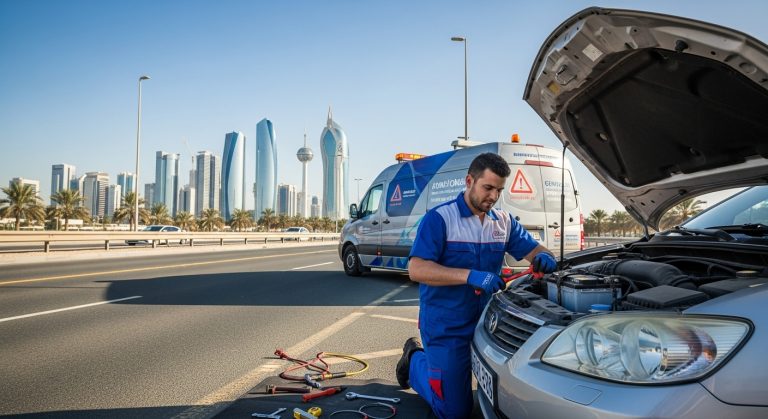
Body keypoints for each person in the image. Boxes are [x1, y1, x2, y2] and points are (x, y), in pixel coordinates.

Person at [395, 152, 557, 419]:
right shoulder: (440, 219)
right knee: (454, 412)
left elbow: (536, 250)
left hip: (488, 323)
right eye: (488, 188)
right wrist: (470, 275)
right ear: (469, 181)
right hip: (446, 325)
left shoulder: (503, 222)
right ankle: (414, 361)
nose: (493, 196)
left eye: (499, 190)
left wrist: (544, 257)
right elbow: (417, 269)